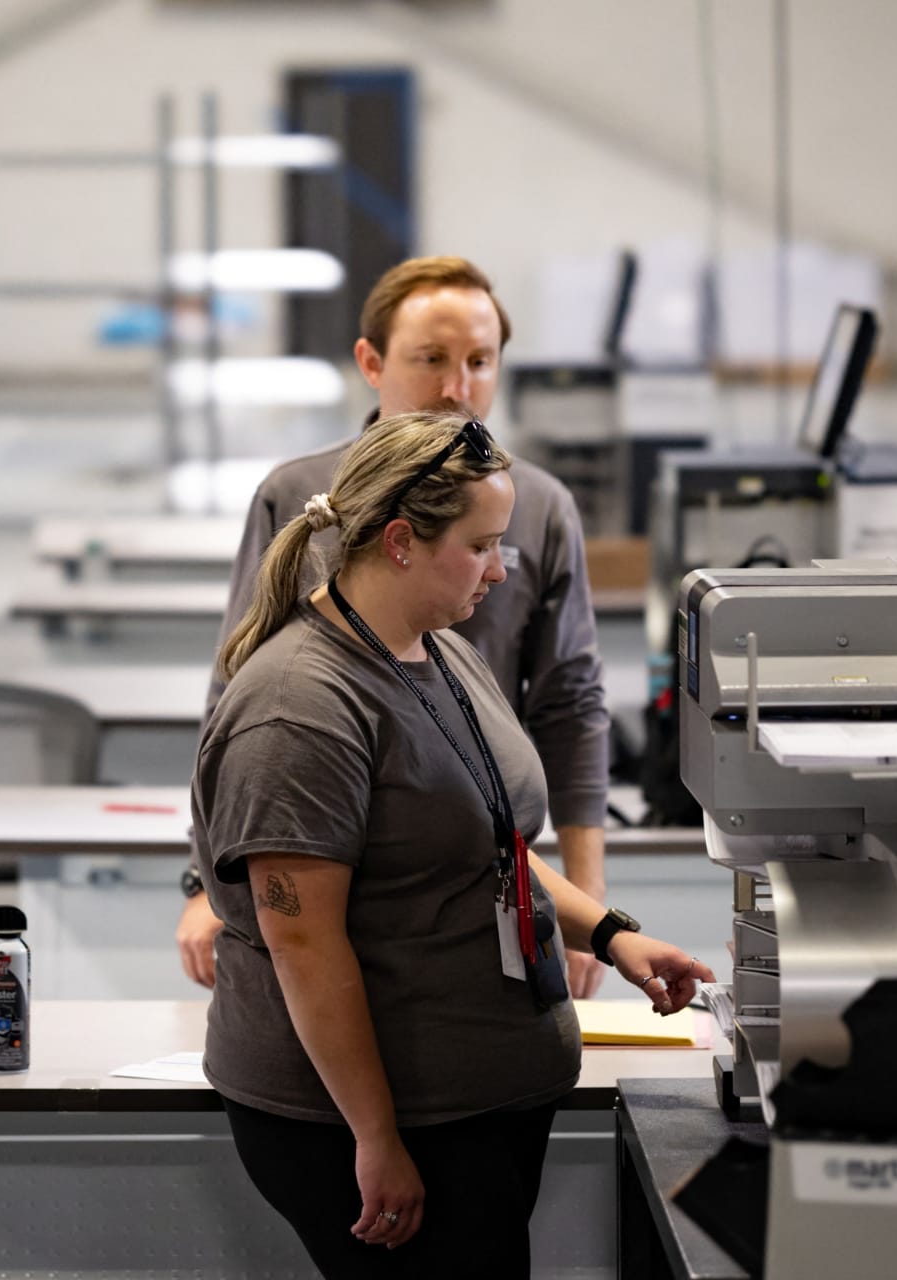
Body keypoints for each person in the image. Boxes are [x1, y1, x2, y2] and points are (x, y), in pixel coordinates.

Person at [192, 411, 710, 1278]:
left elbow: (487, 847)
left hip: (474, 1103)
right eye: (482, 546)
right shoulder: (299, 710)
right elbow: (304, 945)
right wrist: (375, 1136)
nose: (500, 570)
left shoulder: (437, 651)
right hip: (385, 1121)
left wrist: (612, 934)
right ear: (400, 541)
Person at [179, 256, 614, 996]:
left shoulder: (537, 507)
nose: (457, 388)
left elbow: (570, 703)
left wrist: (590, 900)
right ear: (372, 362)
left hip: (473, 853)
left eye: (480, 362)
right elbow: (237, 694)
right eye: (431, 359)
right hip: (332, 843)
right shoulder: (299, 494)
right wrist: (205, 878)